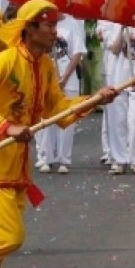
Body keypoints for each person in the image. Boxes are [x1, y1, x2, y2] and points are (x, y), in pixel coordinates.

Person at [0, 0, 118, 268]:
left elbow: (57, 110)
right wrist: (5, 127)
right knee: (4, 239)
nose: (54, 32)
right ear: (29, 28)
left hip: (15, 168)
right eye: (48, 26)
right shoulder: (6, 60)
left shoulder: (45, 65)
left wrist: (94, 99)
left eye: (54, 25)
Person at [95, 23, 135, 175]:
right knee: (118, 120)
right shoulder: (118, 25)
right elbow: (115, 50)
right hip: (119, 78)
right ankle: (119, 160)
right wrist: (122, 29)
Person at [34, 13, 86, 174]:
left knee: (67, 118)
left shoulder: (72, 24)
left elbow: (77, 53)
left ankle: (64, 159)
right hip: (47, 79)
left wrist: (64, 78)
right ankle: (46, 157)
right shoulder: (42, 24)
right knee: (46, 118)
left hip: (68, 79)